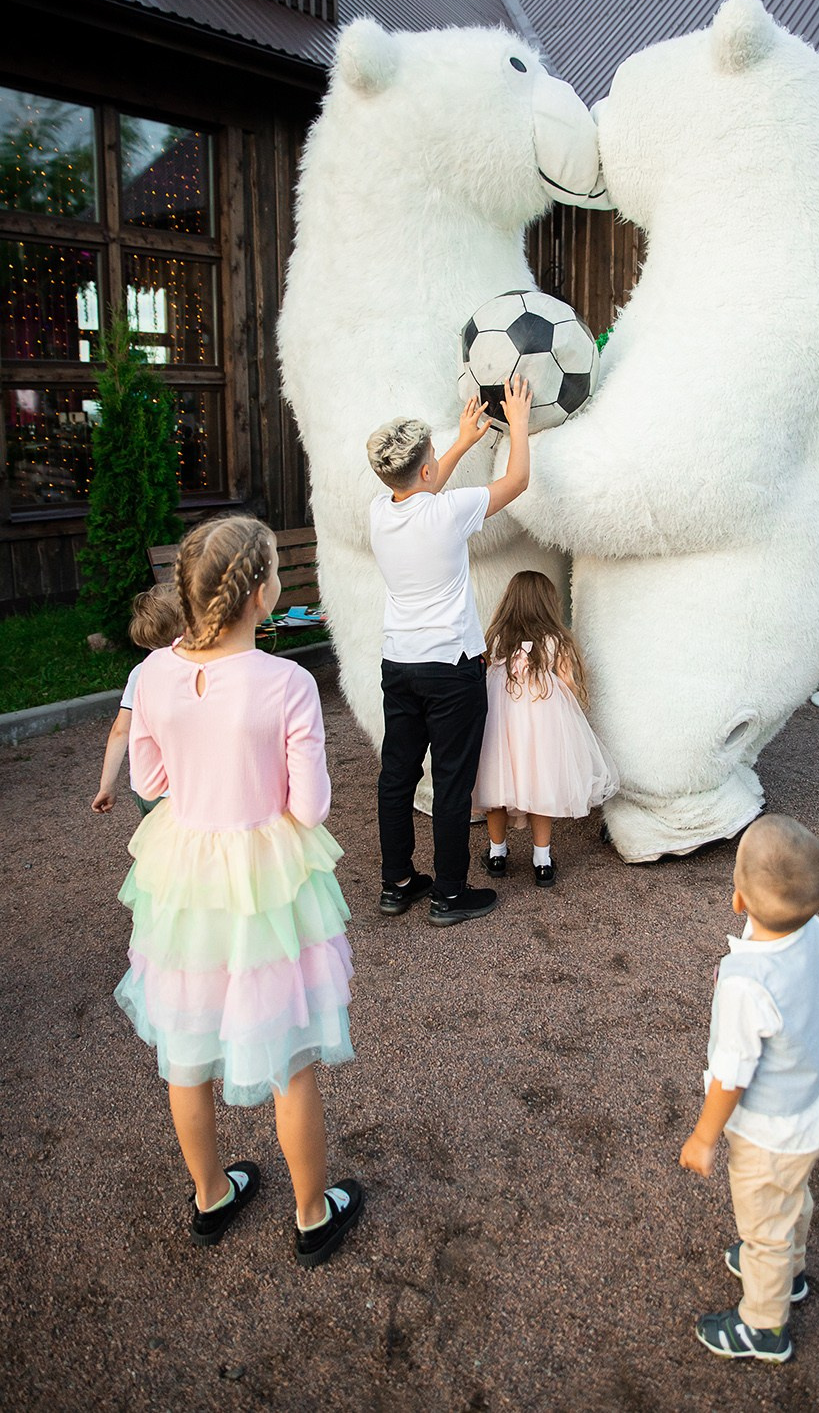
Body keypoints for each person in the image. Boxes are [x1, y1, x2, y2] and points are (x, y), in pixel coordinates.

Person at [114, 515, 363, 1268]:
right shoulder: (286, 683)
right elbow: (312, 808)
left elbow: (148, 782)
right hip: (263, 880)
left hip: (184, 876)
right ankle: (312, 1213)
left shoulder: (153, 672)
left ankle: (212, 1195)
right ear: (261, 595)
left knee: (186, 1050)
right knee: (289, 1053)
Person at [367, 377, 532, 928]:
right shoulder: (449, 512)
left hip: (400, 665)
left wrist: (459, 442)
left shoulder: (379, 513)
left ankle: (396, 885)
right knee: (453, 781)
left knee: (397, 777)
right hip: (452, 671)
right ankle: (449, 894)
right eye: (436, 455)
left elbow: (423, 486)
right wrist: (519, 420)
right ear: (427, 470)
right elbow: (518, 480)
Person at [679, 814, 819, 1364]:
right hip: (810, 1108)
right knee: (791, 1199)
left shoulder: (746, 982)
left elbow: (731, 1073)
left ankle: (763, 1325)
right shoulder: (818, 935)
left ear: (738, 899)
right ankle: (788, 1269)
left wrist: (704, 1137)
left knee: (765, 1221)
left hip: (769, 1132)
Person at [474, 569, 618, 886]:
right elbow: (566, 682)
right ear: (546, 603)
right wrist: (577, 705)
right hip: (543, 728)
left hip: (501, 725)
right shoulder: (555, 641)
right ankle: (542, 860)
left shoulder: (496, 639)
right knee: (542, 786)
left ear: (510, 601)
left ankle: (497, 853)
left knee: (496, 786)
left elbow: (482, 675)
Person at [92, 584, 186, 816]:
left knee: (156, 848)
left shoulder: (140, 673)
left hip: (146, 790)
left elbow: (120, 731)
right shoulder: (197, 670)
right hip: (183, 792)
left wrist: (107, 784)